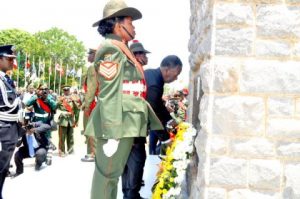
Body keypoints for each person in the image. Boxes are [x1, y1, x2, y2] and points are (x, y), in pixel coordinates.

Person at [85, 1, 163, 198]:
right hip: (117, 125)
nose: (134, 26)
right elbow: (109, 93)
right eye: (130, 21)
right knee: (107, 177)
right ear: (117, 24)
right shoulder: (111, 49)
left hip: (126, 121)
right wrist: (112, 133)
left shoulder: (120, 48)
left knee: (112, 175)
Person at [122, 40, 150, 199]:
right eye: (143, 54)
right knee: (136, 162)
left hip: (132, 128)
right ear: (136, 56)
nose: (145, 57)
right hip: (132, 129)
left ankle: (130, 195)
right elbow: (130, 102)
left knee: (128, 166)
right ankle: (131, 196)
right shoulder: (133, 73)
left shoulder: (136, 71)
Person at [145, 55, 182, 155]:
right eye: (176, 74)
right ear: (167, 70)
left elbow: (158, 105)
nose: (176, 78)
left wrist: (170, 120)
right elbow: (153, 112)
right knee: (137, 162)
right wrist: (165, 139)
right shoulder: (154, 84)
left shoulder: (152, 75)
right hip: (132, 130)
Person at [0, 45, 24, 199]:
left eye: (13, 59)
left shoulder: (6, 79)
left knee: (3, 169)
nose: (12, 62)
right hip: (2, 130)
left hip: (11, 131)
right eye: (9, 59)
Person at [13, 112, 52, 177]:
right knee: (17, 155)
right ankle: (19, 171)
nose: (28, 129)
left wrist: (35, 130)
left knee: (40, 154)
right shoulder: (21, 130)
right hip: (28, 149)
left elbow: (47, 126)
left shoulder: (35, 124)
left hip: (39, 148)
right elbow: (17, 145)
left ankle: (39, 163)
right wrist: (20, 135)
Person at [81, 48, 98, 162]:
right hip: (96, 102)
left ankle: (93, 153)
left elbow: (91, 88)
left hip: (93, 103)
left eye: (90, 54)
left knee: (91, 129)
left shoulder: (93, 67)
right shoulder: (100, 66)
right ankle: (90, 152)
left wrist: (87, 105)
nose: (88, 56)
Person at [57, 85, 80, 156]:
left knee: (71, 136)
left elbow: (77, 110)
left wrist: (76, 120)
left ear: (69, 91)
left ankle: (70, 149)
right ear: (63, 91)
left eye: (67, 90)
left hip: (71, 120)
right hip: (63, 120)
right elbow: (56, 108)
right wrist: (62, 113)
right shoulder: (60, 99)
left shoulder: (73, 99)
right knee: (62, 136)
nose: (66, 91)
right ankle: (62, 151)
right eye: (65, 90)